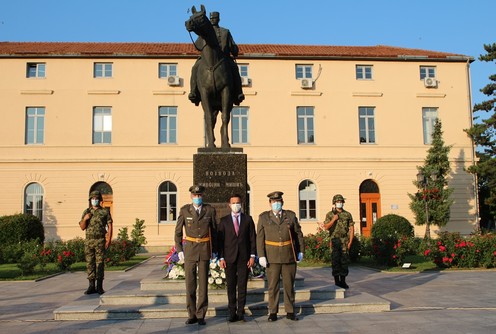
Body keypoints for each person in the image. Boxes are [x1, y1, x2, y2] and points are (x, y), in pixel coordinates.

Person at [256, 191, 304, 322]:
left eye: (278, 202)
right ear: (270, 203)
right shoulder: (264, 217)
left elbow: (298, 234)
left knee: (289, 285)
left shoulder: (291, 215)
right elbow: (260, 238)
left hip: (288, 255)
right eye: (274, 202)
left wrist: (301, 251)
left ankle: (290, 311)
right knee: (273, 286)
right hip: (272, 256)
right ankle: (272, 311)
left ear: (282, 202)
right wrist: (261, 256)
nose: (276, 204)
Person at [174, 185, 218, 326]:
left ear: (202, 196)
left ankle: (201, 315)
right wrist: (180, 250)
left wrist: (214, 250)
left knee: (203, 285)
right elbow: (178, 232)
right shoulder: (184, 210)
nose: (197, 198)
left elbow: (215, 232)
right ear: (191, 196)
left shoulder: (209, 210)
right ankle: (191, 314)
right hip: (190, 250)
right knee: (190, 285)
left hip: (204, 249)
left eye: (199, 195)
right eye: (195, 195)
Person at [188, 11, 245, 106]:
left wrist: (234, 49)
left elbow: (232, 45)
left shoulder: (225, 32)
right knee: (195, 68)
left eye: (214, 18)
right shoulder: (204, 32)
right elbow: (198, 46)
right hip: (206, 59)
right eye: (211, 18)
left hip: (224, 58)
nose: (213, 20)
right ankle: (193, 92)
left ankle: (238, 92)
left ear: (218, 19)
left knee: (234, 68)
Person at [218, 194, 257, 322]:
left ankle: (240, 312)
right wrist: (221, 257)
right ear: (229, 205)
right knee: (231, 286)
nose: (236, 205)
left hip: (244, 258)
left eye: (238, 202)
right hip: (229, 258)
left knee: (242, 286)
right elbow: (220, 241)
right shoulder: (224, 221)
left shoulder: (248, 219)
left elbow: (252, 238)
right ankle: (232, 312)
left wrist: (252, 256)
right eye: (233, 203)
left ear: (241, 204)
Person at [79, 190, 113, 295]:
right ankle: (91, 285)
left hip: (100, 240)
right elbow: (82, 227)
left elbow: (110, 226)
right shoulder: (87, 212)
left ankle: (99, 286)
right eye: (93, 199)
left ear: (100, 200)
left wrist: (109, 239)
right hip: (89, 240)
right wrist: (85, 219)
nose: (95, 200)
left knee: (100, 263)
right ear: (90, 200)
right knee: (90, 263)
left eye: (96, 198)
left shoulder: (105, 212)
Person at [321, 194, 355, 289]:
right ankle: (337, 281)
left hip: (344, 239)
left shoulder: (347, 214)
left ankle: (343, 281)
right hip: (335, 240)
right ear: (334, 203)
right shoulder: (330, 214)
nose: (339, 203)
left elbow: (351, 228)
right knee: (335, 260)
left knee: (344, 260)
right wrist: (333, 219)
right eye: (337, 202)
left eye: (340, 202)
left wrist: (350, 241)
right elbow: (326, 227)